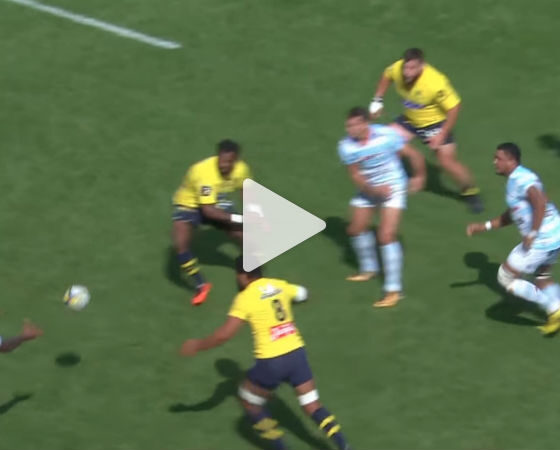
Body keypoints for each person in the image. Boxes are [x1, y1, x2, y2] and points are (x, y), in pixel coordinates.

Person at [180, 258, 351, 450]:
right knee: (312, 404)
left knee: (248, 401)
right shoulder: (280, 285)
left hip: (272, 361)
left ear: (244, 275)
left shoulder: (245, 298)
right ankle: (344, 446)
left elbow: (224, 335)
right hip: (297, 354)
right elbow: (304, 294)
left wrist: (197, 345)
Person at [369, 48, 483, 213]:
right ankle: (388, 185)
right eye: (406, 68)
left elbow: (454, 107)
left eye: (412, 68)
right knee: (384, 143)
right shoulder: (398, 68)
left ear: (422, 66)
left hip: (435, 125)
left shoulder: (435, 82)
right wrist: (377, 100)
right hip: (410, 120)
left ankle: (471, 192)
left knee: (446, 162)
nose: (407, 72)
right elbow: (387, 75)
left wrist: (442, 134)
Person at [467, 142, 560, 335]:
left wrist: (532, 233)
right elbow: (513, 213)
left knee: (506, 278)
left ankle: (554, 309)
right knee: (542, 276)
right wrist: (485, 226)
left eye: (498, 158)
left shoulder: (521, 179)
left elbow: (539, 202)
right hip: (555, 235)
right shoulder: (517, 180)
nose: (494, 162)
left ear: (511, 160)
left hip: (541, 239)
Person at [338, 106, 426, 308]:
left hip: (393, 186)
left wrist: (419, 176)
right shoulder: (346, 146)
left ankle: (393, 290)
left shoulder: (387, 135)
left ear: (366, 123)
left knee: (386, 236)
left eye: (354, 125)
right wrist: (373, 189)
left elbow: (414, 155)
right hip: (370, 188)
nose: (350, 129)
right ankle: (369, 269)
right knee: (355, 229)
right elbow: (355, 174)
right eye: (348, 126)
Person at [172, 139, 251, 306]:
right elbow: (209, 211)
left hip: (215, 200)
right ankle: (201, 285)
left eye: (228, 162)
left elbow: (246, 189)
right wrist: (243, 219)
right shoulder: (204, 173)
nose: (223, 165)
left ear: (236, 160)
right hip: (189, 204)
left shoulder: (242, 170)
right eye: (221, 160)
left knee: (241, 235)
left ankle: (250, 267)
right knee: (180, 245)